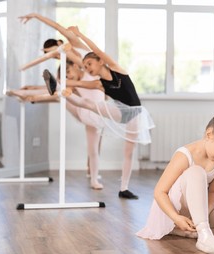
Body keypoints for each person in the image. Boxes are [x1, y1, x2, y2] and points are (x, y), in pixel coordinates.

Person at [43, 26, 155, 199]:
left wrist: (80, 34)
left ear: (100, 61)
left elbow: (96, 50)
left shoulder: (116, 69)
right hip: (118, 111)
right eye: (85, 66)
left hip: (135, 113)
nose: (87, 68)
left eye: (89, 64)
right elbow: (79, 84)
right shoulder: (100, 84)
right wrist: (62, 84)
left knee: (128, 152)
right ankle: (57, 89)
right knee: (88, 103)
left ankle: (124, 188)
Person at [136, 102, 214, 254]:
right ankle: (203, 236)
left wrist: (202, 214)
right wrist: (176, 217)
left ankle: (192, 231)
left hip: (199, 210)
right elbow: (160, 192)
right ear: (209, 135)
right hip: (174, 210)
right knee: (196, 172)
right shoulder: (185, 154)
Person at [19, 13, 105, 188]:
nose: (57, 58)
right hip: (85, 107)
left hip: (95, 106)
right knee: (62, 94)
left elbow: (58, 27)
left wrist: (35, 16)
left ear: (59, 45)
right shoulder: (68, 69)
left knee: (95, 141)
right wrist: (32, 89)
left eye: (55, 54)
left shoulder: (76, 49)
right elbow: (63, 89)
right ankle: (32, 97)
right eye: (54, 57)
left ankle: (93, 173)